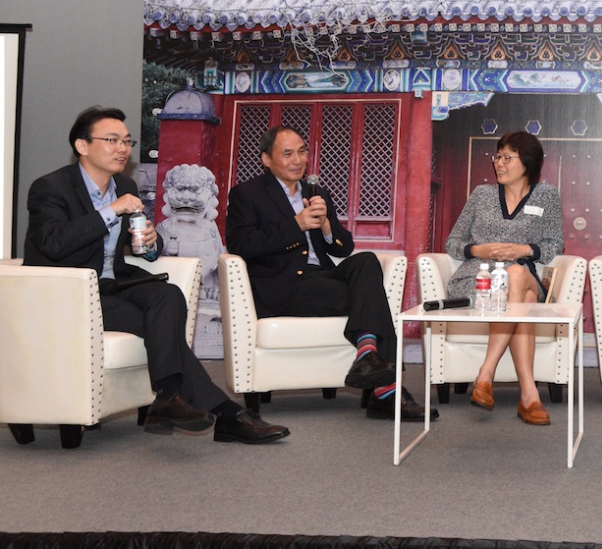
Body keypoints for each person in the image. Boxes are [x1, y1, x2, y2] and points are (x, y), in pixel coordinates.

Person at [23, 106, 288, 444]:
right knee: (159, 325)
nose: (123, 148)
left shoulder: (124, 185)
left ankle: (169, 397)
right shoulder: (51, 187)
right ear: (82, 145)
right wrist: (111, 211)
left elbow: (142, 247)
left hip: (113, 282)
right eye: (112, 140)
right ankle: (224, 414)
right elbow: (53, 243)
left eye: (127, 141)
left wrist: (150, 243)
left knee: (168, 295)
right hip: (68, 292)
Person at [225, 125, 432, 422]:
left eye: (302, 152)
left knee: (366, 262)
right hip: (282, 285)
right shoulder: (247, 194)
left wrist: (325, 227)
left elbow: (344, 248)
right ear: (266, 159)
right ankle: (386, 391)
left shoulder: (317, 192)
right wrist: (296, 225)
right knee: (371, 299)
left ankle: (368, 355)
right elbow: (241, 244)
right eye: (288, 154)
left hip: (319, 276)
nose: (298, 160)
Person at [445, 130, 563, 425]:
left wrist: (523, 250)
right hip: (479, 278)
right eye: (497, 157)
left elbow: (554, 245)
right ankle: (529, 395)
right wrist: (478, 249)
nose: (499, 163)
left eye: (507, 158)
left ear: (528, 162)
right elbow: (453, 242)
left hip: (522, 272)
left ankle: (486, 374)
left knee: (517, 274)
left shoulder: (547, 196)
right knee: (523, 295)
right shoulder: (481, 195)